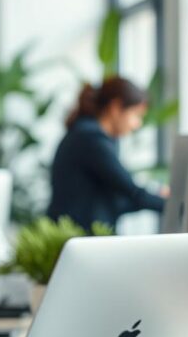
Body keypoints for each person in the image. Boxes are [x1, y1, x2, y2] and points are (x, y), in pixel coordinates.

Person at [47, 76, 166, 230]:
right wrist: (177, 203)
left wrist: (158, 197)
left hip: (79, 236)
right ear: (116, 108)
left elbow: (113, 203)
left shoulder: (88, 134)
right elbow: (133, 193)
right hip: (77, 240)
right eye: (136, 115)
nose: (137, 124)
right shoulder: (90, 139)